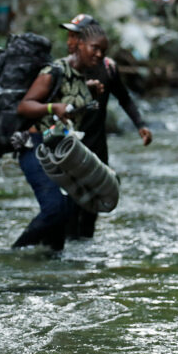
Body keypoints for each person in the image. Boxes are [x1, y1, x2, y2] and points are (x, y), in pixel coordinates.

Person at [13, 22, 109, 251]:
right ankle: (13, 255)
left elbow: (73, 109)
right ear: (80, 45)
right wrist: (51, 108)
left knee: (65, 217)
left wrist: (91, 93)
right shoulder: (54, 71)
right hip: (36, 147)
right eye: (94, 48)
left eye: (103, 52)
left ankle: (51, 273)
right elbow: (24, 106)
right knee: (55, 209)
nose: (99, 54)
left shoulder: (82, 77)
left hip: (61, 153)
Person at [60, 14, 153, 240]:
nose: (69, 41)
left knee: (92, 206)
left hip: (97, 147)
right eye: (70, 36)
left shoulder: (108, 68)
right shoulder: (64, 69)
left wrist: (140, 124)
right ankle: (68, 257)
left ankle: (85, 253)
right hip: (69, 148)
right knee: (69, 207)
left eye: (75, 35)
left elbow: (124, 98)